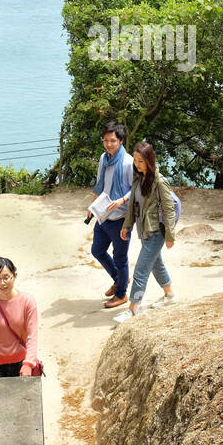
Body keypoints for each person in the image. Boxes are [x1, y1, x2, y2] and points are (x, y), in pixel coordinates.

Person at [115, 141, 177, 322]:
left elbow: (169, 209)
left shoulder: (160, 182)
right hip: (144, 231)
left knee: (141, 271)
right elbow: (134, 207)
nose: (137, 164)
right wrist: (126, 226)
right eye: (135, 160)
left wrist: (170, 236)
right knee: (157, 264)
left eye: (141, 161)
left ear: (149, 160)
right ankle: (170, 296)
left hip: (156, 232)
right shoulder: (138, 179)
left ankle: (133, 307)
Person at [89, 121, 133, 309]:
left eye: (113, 141)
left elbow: (137, 190)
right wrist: (92, 205)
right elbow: (100, 183)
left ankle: (121, 294)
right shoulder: (104, 159)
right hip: (103, 214)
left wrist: (122, 200)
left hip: (121, 218)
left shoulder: (128, 162)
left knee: (120, 258)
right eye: (106, 140)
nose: (108, 144)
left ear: (121, 141)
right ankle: (119, 279)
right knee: (97, 250)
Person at [0, 257, 40, 378]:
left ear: (15, 275)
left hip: (21, 363)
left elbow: (32, 336)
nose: (2, 283)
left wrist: (28, 364)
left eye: (6, 277)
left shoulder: (27, 301)